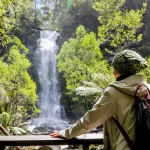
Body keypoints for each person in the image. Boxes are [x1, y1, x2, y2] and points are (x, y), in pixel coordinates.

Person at [50, 49, 149, 150]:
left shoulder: (113, 93)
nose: (113, 70)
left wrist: (66, 133)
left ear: (119, 71)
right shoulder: (147, 88)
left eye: (114, 67)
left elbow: (90, 120)